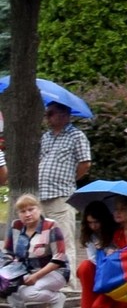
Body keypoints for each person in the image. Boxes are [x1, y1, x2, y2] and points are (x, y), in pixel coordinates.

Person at [36, 104, 92, 282]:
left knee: (64, 242)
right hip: (42, 195)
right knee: (43, 243)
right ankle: (48, 283)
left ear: (63, 115)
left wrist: (69, 180)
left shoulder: (76, 135)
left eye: (50, 114)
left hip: (61, 195)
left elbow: (85, 163)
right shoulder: (46, 137)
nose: (47, 117)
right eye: (47, 113)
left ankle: (68, 284)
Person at [0, 193, 69, 308]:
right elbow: (7, 252)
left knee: (28, 293)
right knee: (5, 282)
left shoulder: (51, 226)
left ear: (39, 209)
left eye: (31, 209)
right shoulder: (16, 226)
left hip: (54, 271)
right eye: (23, 211)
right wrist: (7, 270)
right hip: (25, 271)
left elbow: (59, 258)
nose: (27, 214)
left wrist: (36, 276)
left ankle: (57, 298)